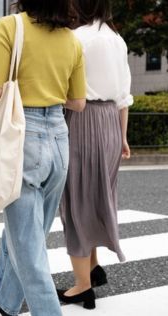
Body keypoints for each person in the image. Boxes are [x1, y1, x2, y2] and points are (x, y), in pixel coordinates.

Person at [0, 0, 87, 315]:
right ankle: (4, 300)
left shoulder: (10, 26)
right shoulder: (72, 40)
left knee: (29, 247)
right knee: (28, 233)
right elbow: (78, 102)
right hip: (59, 138)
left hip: (22, 137)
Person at [57, 0, 133, 310]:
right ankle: (93, 267)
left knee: (76, 201)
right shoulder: (118, 39)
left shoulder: (76, 38)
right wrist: (123, 137)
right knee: (100, 198)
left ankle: (82, 287)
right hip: (111, 124)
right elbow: (124, 95)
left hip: (83, 120)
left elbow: (65, 89)